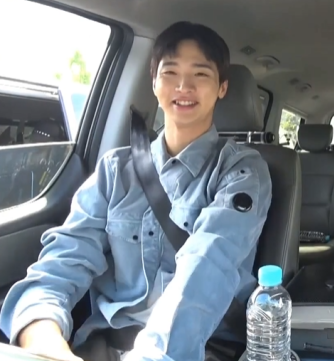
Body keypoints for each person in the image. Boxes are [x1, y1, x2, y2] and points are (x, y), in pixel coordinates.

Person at [0, 21, 272, 361]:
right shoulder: (114, 170)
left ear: (222, 87)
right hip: (104, 343)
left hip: (199, 348)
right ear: (154, 82)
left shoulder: (241, 171)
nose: (184, 86)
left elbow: (208, 265)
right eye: (170, 72)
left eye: (201, 74)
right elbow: (66, 257)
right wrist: (43, 338)